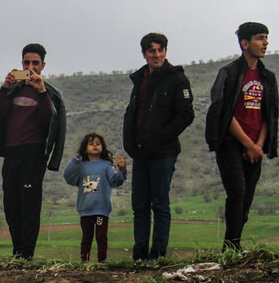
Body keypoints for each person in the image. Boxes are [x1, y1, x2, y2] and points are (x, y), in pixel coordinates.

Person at [0, 43, 66, 260]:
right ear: (21, 64)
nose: (30, 67)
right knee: (11, 206)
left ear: (43, 65)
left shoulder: (49, 94)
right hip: (11, 153)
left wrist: (41, 92)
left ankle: (26, 255)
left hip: (33, 154)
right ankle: (17, 251)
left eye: (35, 63)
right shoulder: (11, 90)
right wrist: (3, 88)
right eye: (27, 63)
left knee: (29, 206)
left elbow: (49, 122)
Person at [122, 32, 194, 262]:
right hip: (141, 152)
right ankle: (140, 252)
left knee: (160, 203)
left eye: (160, 50)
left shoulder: (177, 79)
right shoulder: (140, 79)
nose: (157, 55)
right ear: (144, 54)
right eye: (152, 51)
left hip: (163, 152)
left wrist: (162, 137)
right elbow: (133, 112)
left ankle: (158, 253)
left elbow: (185, 115)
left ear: (165, 51)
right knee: (139, 204)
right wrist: (129, 142)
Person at [206, 22, 278, 251]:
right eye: (260, 38)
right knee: (236, 191)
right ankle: (231, 246)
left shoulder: (267, 77)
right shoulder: (228, 73)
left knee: (246, 197)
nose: (265, 42)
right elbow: (223, 112)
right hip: (230, 144)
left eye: (266, 37)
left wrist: (258, 145)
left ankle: (234, 244)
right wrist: (247, 143)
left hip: (256, 146)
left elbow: (270, 114)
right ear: (244, 43)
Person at [63, 133, 128, 262]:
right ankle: (84, 261)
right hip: (85, 210)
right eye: (91, 144)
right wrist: (75, 160)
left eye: (98, 144)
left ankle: (101, 261)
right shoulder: (80, 166)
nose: (95, 146)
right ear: (84, 147)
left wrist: (122, 169)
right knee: (86, 236)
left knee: (101, 236)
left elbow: (116, 181)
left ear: (102, 147)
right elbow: (68, 176)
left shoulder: (106, 165)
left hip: (101, 211)